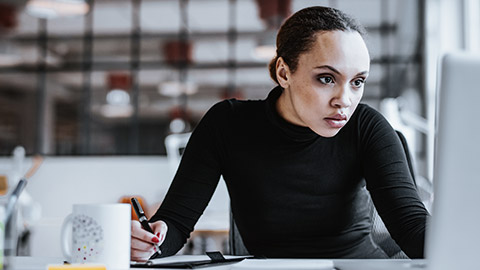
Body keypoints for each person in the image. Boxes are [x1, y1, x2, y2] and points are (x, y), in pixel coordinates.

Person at [130, 6, 429, 260]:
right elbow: (175, 224)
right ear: (284, 73)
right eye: (326, 78)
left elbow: (412, 228)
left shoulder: (368, 127)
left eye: (357, 81)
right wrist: (150, 242)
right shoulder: (227, 125)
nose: (345, 100)